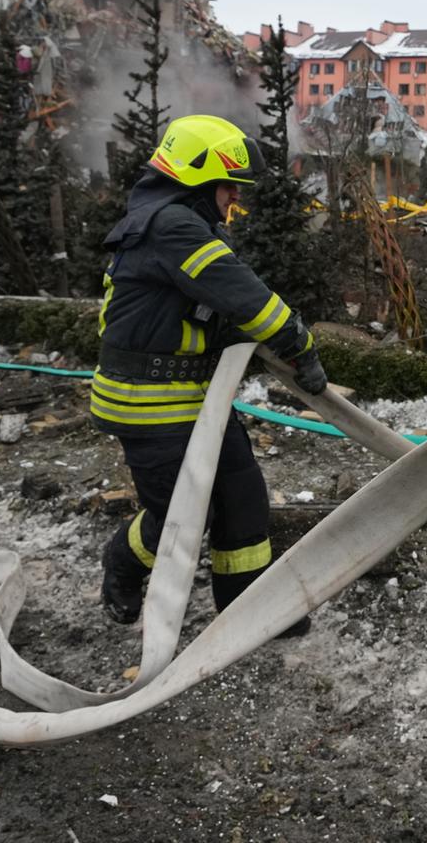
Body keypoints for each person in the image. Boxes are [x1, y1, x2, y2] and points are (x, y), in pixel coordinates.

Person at [92, 114, 327, 633]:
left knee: (241, 495)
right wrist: (298, 344)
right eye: (228, 188)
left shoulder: (172, 223)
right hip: (148, 403)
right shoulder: (172, 227)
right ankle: (122, 566)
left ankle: (246, 611)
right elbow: (242, 293)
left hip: (191, 398)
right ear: (199, 177)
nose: (234, 200)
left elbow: (197, 311)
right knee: (177, 518)